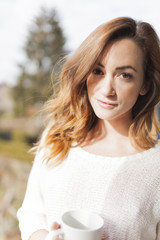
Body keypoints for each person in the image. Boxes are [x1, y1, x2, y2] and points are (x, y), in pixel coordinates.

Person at [17, 16, 160, 240]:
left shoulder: (155, 167)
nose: (106, 89)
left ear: (145, 85)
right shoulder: (57, 139)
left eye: (124, 75)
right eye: (97, 71)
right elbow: (31, 215)